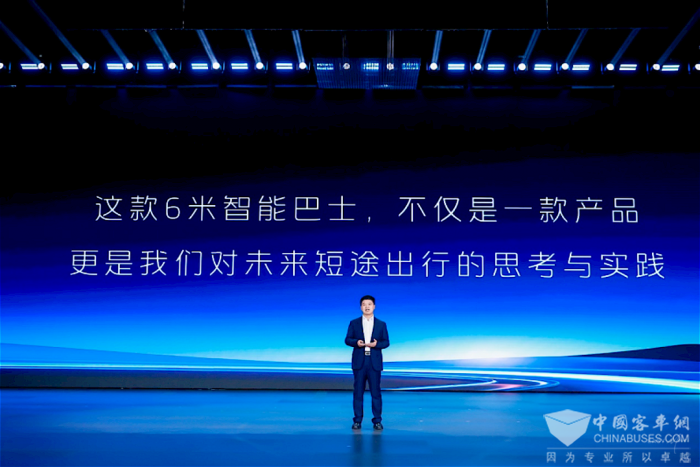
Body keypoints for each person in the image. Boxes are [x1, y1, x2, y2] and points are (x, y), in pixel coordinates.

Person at [344, 295, 390, 430]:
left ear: (374, 306)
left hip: (374, 362)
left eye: (369, 304)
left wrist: (376, 344)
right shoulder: (354, 323)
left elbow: (386, 342)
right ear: (361, 307)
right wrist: (356, 342)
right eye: (364, 304)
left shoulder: (381, 324)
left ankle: (377, 421)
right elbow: (347, 339)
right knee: (358, 392)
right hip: (360, 362)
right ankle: (357, 420)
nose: (367, 307)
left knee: (376, 393)